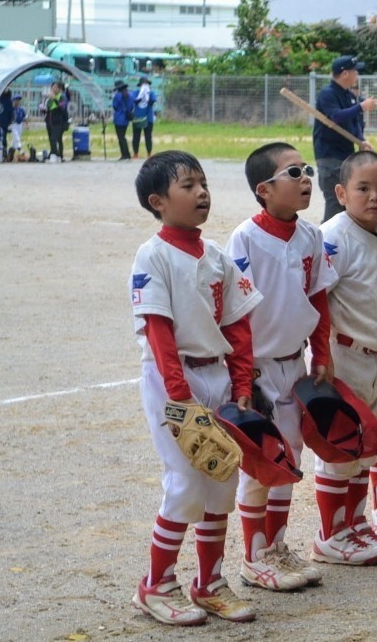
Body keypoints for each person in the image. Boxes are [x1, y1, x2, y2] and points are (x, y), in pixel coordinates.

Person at [130, 151, 262, 625]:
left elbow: (239, 326)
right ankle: (156, 585)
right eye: (187, 185)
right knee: (186, 483)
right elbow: (159, 329)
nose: (202, 192)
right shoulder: (154, 254)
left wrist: (242, 383)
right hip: (174, 380)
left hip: (217, 376)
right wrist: (178, 393)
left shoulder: (217, 256)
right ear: (158, 201)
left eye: (203, 183)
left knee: (221, 478)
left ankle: (209, 583)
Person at [227, 143, 359, 581]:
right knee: (261, 462)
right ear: (264, 190)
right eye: (295, 172)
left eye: (307, 171)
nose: (306, 179)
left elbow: (318, 297)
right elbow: (238, 312)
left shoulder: (310, 236)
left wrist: (321, 353)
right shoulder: (245, 237)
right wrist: (242, 377)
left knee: (288, 459)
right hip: (259, 367)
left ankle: (278, 548)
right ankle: (253, 556)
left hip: (294, 364)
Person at [317, 151, 377, 561]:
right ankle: (330, 534)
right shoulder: (333, 236)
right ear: (341, 192)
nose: (374, 197)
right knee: (341, 447)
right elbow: (317, 298)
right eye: (363, 188)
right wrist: (322, 354)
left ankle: (355, 525)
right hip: (346, 354)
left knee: (367, 445)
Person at [314, 56, 377, 222]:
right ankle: (325, 241)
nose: (357, 74)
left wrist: (361, 141)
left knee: (346, 203)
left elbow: (354, 122)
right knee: (335, 201)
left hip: (346, 155)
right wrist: (361, 107)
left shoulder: (349, 95)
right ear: (344, 73)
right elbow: (335, 117)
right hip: (329, 155)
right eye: (354, 71)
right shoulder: (327, 94)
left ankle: (340, 243)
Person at [43, 82, 69, 163]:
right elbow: (47, 107)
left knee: (54, 138)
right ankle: (56, 154)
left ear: (59, 88)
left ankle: (55, 155)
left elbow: (62, 107)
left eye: (55, 87)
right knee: (52, 139)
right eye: (52, 87)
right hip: (50, 120)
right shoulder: (50, 97)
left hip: (58, 121)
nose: (53, 89)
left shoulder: (62, 96)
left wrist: (55, 99)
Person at [132, 76, 155, 160]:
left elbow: (152, 102)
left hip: (148, 118)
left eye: (147, 84)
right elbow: (134, 101)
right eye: (144, 84)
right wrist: (141, 95)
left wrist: (147, 95)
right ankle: (135, 153)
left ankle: (149, 153)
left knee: (148, 136)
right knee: (136, 136)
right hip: (138, 117)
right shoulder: (136, 92)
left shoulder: (151, 93)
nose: (145, 86)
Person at [112, 80, 135, 161]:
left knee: (121, 138)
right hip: (126, 119)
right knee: (123, 137)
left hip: (118, 119)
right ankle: (127, 154)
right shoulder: (130, 95)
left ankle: (124, 154)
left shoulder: (117, 96)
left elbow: (115, 106)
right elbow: (131, 107)